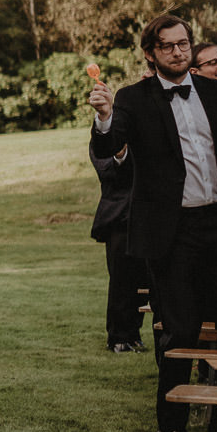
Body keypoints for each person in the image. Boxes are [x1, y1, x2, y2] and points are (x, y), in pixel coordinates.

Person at [88, 14, 217, 432]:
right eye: (168, 46)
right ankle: (172, 424)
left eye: (183, 44)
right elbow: (109, 145)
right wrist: (105, 117)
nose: (178, 52)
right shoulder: (133, 98)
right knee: (180, 329)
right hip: (172, 233)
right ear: (151, 53)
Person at [90, 141, 151, 353]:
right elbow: (105, 170)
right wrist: (121, 154)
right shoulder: (103, 136)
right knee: (120, 279)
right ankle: (117, 337)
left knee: (144, 279)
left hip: (146, 217)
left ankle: (134, 334)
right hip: (119, 219)